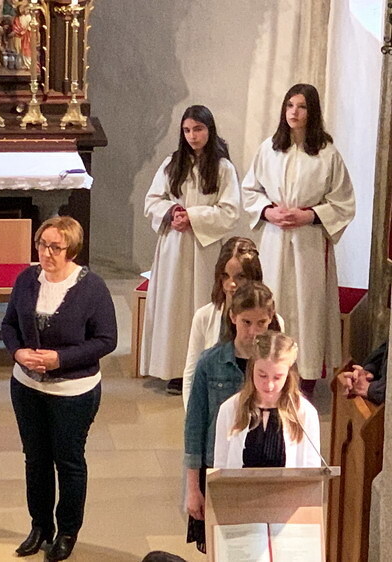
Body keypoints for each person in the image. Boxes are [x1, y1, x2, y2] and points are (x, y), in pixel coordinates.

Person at [2, 217, 117, 561]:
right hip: (26, 387)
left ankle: (67, 531)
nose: (47, 253)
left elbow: (106, 339)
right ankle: (40, 526)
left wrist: (60, 359)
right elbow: (9, 324)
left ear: (72, 250)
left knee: (68, 461)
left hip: (73, 392)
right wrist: (17, 352)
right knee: (35, 459)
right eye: (42, 244)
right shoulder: (26, 279)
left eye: (56, 247)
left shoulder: (92, 287)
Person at [242, 83, 356, 395]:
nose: (294, 112)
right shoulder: (269, 149)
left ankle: (305, 377)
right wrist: (268, 211)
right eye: (290, 105)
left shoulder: (327, 154)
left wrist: (310, 215)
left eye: (302, 107)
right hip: (276, 240)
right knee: (274, 301)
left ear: (312, 111)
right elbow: (250, 190)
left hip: (309, 243)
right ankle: (268, 373)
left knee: (308, 308)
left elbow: (344, 202)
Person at [141, 105, 240, 395]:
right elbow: (152, 200)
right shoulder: (173, 163)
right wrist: (172, 212)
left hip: (204, 248)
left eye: (198, 129)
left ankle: (203, 366)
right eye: (187, 130)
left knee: (201, 304)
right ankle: (173, 369)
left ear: (209, 130)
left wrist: (193, 217)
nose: (192, 136)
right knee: (173, 306)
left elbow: (230, 210)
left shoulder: (223, 168)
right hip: (173, 247)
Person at [183, 282, 280, 553]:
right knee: (222, 549)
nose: (253, 331)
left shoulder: (278, 365)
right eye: (247, 322)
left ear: (271, 319)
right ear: (233, 317)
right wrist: (193, 488)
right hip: (219, 467)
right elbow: (194, 428)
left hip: (265, 468)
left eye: (261, 323)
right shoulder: (210, 362)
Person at [182, 237, 270, 411]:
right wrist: (192, 415)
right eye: (225, 276)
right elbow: (191, 375)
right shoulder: (203, 317)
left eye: (240, 277)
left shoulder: (272, 321)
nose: (231, 284)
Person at [214, 331, 321, 468]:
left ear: (289, 375)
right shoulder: (229, 409)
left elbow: (312, 469)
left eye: (277, 377)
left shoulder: (305, 412)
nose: (269, 385)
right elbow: (220, 466)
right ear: (252, 369)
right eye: (262, 375)